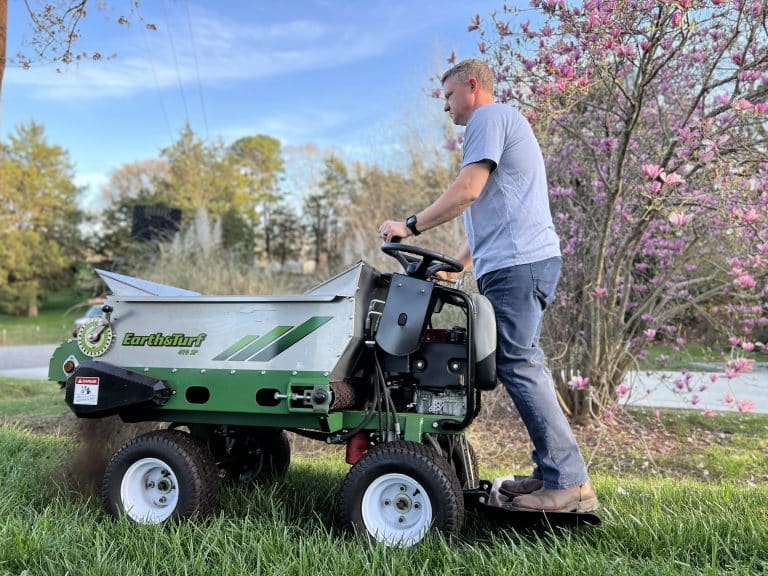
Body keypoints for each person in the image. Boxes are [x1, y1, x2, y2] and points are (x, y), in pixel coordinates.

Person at [377, 59, 598, 513]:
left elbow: (468, 191)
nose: (445, 107)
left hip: (520, 266)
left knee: (518, 363)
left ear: (472, 87)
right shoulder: (502, 122)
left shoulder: (488, 117)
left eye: (448, 96)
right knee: (518, 363)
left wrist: (409, 225)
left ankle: (570, 483)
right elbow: (495, 211)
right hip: (517, 263)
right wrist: (457, 264)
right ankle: (551, 472)